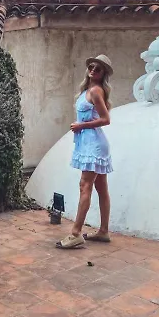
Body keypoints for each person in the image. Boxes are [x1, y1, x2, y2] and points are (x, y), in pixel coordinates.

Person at [56, 54, 113, 249]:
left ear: (103, 73)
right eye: (91, 67)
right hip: (90, 142)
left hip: (93, 144)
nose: (93, 70)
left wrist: (81, 125)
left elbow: (106, 119)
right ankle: (103, 231)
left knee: (85, 186)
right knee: (101, 188)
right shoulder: (88, 90)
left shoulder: (95, 91)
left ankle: (75, 233)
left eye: (98, 69)